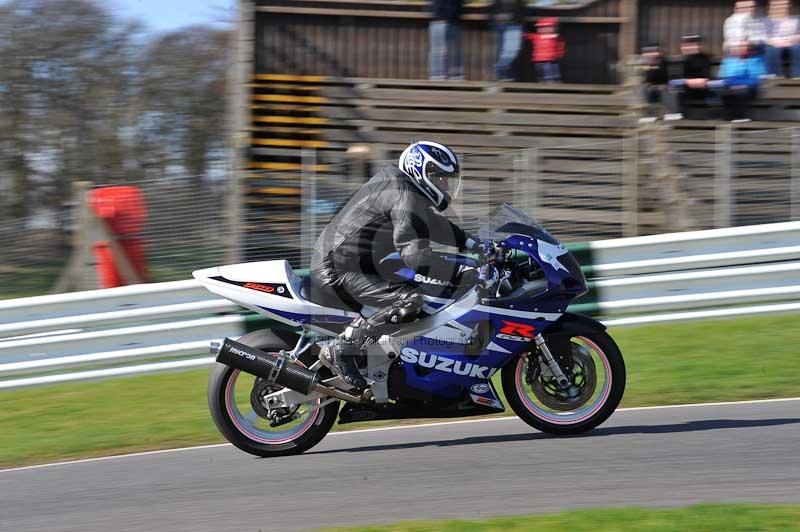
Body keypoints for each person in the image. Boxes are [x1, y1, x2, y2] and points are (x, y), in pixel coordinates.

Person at [310, 141, 483, 389]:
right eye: (441, 178)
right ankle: (343, 348)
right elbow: (413, 254)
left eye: (448, 180)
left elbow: (431, 223)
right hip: (338, 270)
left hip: (350, 262)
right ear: (423, 172)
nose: (446, 186)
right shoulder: (405, 195)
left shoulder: (403, 186)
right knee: (410, 301)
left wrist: (472, 243)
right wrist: (456, 269)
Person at [712, 40, 768, 121]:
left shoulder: (756, 61)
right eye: (741, 46)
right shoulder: (728, 61)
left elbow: (757, 79)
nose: (743, 48)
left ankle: (741, 116)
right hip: (730, 87)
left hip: (750, 88)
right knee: (724, 91)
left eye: (746, 46)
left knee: (741, 90)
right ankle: (729, 118)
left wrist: (740, 84)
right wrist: (733, 84)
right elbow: (723, 77)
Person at [665, 35, 714, 120]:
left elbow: (705, 79)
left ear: (697, 46)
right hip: (685, 89)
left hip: (700, 90)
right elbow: (673, 79)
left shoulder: (704, 59)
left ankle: (679, 113)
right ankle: (675, 114)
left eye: (691, 45)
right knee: (668, 89)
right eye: (685, 45)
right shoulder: (682, 60)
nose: (687, 48)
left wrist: (687, 81)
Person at [490, 0, 527, 81]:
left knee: (511, 51)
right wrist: (494, 16)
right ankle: (504, 77)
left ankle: (498, 71)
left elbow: (523, 8)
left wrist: (511, 16)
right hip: (499, 24)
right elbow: (492, 7)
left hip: (514, 23)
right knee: (501, 52)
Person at [429, 0, 465, 80]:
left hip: (442, 18)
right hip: (449, 18)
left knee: (438, 52)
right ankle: (453, 77)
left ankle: (438, 77)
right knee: (452, 52)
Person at [765, 0, 800, 78]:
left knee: (797, 48)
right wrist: (777, 43)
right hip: (774, 43)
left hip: (792, 42)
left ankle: (797, 74)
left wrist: (792, 41)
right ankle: (776, 74)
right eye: (776, 6)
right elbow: (765, 36)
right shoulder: (766, 21)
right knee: (771, 49)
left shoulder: (796, 19)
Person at [524, 17, 565, 82]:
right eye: (540, 28)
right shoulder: (536, 36)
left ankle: (553, 86)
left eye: (546, 27)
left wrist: (559, 55)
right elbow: (526, 35)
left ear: (554, 28)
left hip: (551, 60)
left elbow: (560, 47)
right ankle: (543, 85)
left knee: (552, 75)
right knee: (540, 74)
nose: (543, 29)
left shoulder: (556, 37)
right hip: (538, 60)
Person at [639, 43, 669, 118]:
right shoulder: (645, 63)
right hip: (651, 88)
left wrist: (660, 86)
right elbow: (646, 79)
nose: (651, 54)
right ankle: (648, 115)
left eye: (654, 52)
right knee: (645, 89)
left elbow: (666, 78)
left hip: (663, 87)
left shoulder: (663, 62)